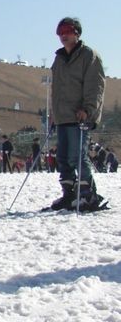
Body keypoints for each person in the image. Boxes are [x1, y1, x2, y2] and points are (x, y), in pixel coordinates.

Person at [49, 17, 106, 211]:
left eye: (68, 30)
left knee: (77, 156)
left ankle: (88, 195)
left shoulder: (89, 56)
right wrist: (53, 114)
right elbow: (56, 89)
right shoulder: (59, 59)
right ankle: (69, 194)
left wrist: (88, 109)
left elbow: (95, 86)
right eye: (60, 31)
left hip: (79, 116)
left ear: (77, 33)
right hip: (62, 116)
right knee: (63, 158)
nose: (63, 35)